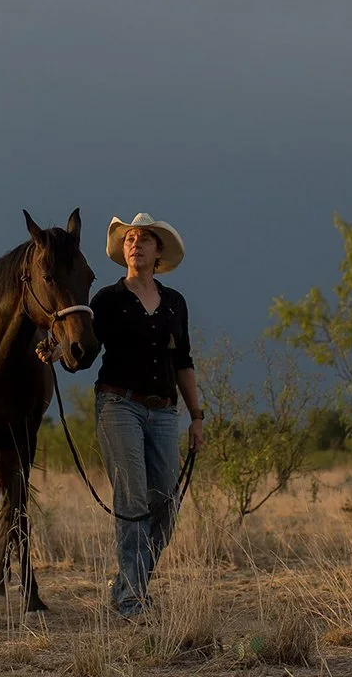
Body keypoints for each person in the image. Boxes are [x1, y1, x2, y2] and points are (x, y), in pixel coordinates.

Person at [86, 212, 203, 619]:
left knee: (166, 503)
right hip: (119, 405)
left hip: (165, 411)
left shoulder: (174, 303)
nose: (135, 244)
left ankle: (126, 584)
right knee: (133, 498)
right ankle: (132, 600)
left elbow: (183, 361)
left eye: (144, 239)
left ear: (158, 252)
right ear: (124, 250)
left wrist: (197, 416)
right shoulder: (107, 300)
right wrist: (57, 349)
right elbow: (83, 352)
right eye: (130, 238)